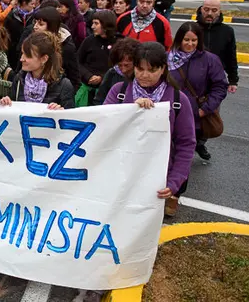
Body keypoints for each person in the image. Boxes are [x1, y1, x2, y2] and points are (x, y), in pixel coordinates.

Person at [104, 42, 196, 217]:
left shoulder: (178, 100)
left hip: (155, 179)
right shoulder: (119, 92)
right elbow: (103, 128)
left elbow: (186, 145)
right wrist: (131, 110)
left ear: (163, 69)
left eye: (152, 70)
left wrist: (174, 182)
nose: (144, 75)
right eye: (140, 69)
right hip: (118, 175)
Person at [168, 22, 228, 162]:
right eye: (186, 40)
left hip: (195, 116)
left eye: (194, 40)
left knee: (183, 155)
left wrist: (205, 109)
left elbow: (219, 87)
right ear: (179, 40)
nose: (190, 44)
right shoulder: (167, 58)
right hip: (171, 113)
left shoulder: (210, 60)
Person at [0, 31, 75, 109]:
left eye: (28, 56)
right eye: (22, 53)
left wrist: (61, 112)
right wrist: (6, 103)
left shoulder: (64, 86)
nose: (22, 59)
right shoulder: (19, 79)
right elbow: (13, 111)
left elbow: (70, 118)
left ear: (44, 59)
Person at [31, 5, 80, 91]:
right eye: (35, 22)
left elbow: (74, 79)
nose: (35, 26)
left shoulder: (66, 48)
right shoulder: (30, 42)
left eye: (41, 24)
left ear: (51, 26)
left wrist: (63, 97)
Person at [195, 0, 239, 94]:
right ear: (201, 9)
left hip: (216, 79)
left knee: (212, 108)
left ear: (219, 12)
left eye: (214, 10)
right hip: (193, 78)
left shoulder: (227, 31)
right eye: (206, 9)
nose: (209, 13)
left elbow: (231, 57)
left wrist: (233, 80)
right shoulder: (192, 29)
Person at [76, 10, 118, 107]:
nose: (92, 27)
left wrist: (102, 78)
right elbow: (78, 61)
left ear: (106, 24)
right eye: (92, 23)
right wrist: (88, 75)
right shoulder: (89, 41)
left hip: (108, 91)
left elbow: (119, 67)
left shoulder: (118, 43)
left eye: (96, 23)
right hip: (86, 89)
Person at [93, 37, 140, 105]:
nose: (123, 70)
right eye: (119, 65)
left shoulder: (145, 80)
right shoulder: (112, 74)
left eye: (126, 65)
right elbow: (99, 100)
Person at [4, 0, 38, 68]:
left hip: (29, 51)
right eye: (32, 4)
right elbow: (6, 36)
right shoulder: (11, 16)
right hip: (12, 53)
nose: (34, 6)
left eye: (34, 4)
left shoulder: (35, 18)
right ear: (24, 3)